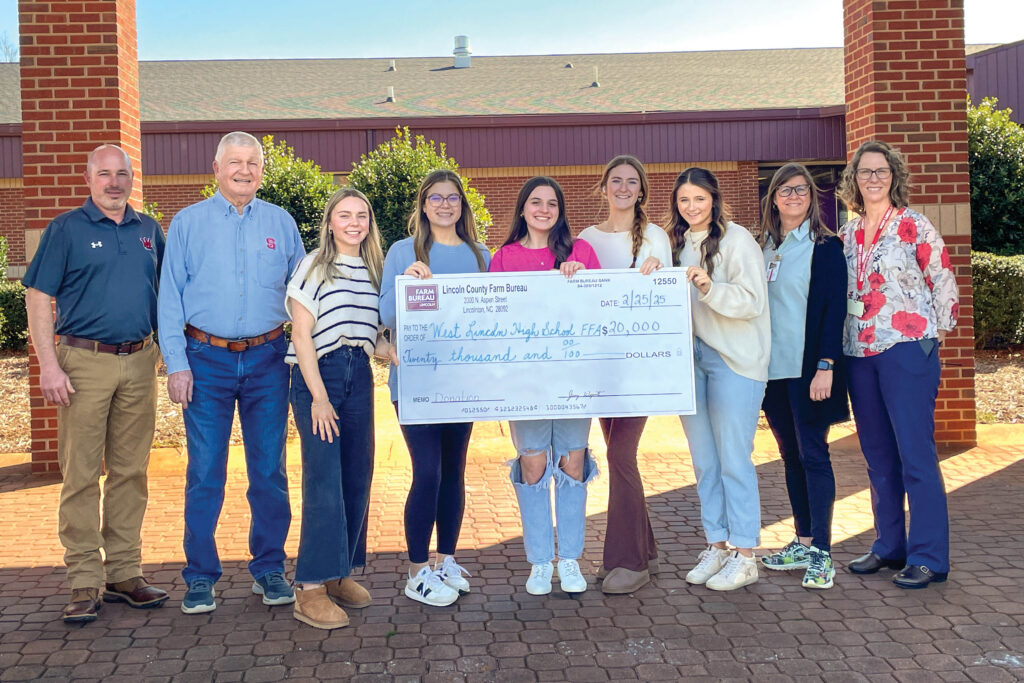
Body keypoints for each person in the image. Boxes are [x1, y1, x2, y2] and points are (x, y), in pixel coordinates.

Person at [158, 131, 305, 613]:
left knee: (269, 471)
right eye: (235, 162)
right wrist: (176, 363)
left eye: (253, 163)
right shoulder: (187, 223)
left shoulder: (280, 223)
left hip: (267, 359)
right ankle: (200, 576)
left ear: (262, 171)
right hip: (206, 361)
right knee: (205, 472)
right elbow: (169, 297)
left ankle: (269, 568)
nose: (244, 170)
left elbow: (303, 291)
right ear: (216, 168)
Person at [23, 144, 168, 623]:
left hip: (139, 360)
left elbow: (166, 294)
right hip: (82, 363)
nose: (114, 182)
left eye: (122, 174)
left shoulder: (149, 230)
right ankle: (84, 581)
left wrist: (169, 356)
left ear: (132, 178)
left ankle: (125, 573)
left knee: (130, 472)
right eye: (104, 174)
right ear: (88, 179)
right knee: (82, 475)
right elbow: (38, 296)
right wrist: (48, 364)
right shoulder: (66, 229)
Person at [837, 140, 959, 589]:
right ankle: (890, 545)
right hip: (859, 352)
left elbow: (942, 277)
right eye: (865, 172)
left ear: (893, 177)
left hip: (907, 348)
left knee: (915, 455)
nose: (873, 179)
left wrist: (935, 334)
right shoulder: (847, 235)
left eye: (881, 172)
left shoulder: (913, 225)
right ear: (854, 179)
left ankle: (929, 556)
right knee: (877, 456)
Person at [379, 169, 491, 606]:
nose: (445, 205)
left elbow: (490, 320)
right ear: (423, 205)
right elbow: (386, 313)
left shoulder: (480, 255)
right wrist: (408, 281)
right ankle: (416, 571)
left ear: (461, 205)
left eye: (453, 198)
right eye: (436, 198)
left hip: (461, 383)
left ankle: (444, 560)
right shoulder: (402, 251)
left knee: (453, 473)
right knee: (427, 471)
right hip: (415, 382)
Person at [286, 188, 396, 629]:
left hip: (359, 373)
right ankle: (309, 588)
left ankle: (337, 573)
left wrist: (412, 353)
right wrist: (318, 398)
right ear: (330, 222)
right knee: (324, 481)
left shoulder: (375, 270)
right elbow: (300, 334)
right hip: (320, 377)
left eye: (362, 215)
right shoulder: (313, 265)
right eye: (344, 215)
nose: (354, 222)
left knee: (356, 476)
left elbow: (376, 339)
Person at [489, 177, 601, 596]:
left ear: (560, 211)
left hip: (574, 381)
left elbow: (600, 309)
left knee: (573, 462)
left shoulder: (581, 252)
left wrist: (581, 278)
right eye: (535, 202)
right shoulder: (503, 257)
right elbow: (493, 320)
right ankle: (539, 561)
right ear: (522, 209)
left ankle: (569, 558)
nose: (543, 209)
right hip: (525, 384)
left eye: (552, 203)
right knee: (533, 465)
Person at [669, 167, 770, 592]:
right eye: (684, 200)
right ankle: (717, 544)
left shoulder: (737, 239)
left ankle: (746, 554)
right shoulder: (675, 244)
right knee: (705, 461)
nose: (692, 207)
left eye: (699, 199)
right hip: (689, 361)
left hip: (734, 359)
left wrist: (711, 288)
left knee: (733, 458)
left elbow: (753, 300)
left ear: (714, 199)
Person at [577, 154, 672, 594]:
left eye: (631, 182)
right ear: (603, 187)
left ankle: (629, 562)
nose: (622, 188)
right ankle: (643, 546)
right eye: (615, 180)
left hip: (639, 367)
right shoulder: (586, 239)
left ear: (641, 190)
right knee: (615, 450)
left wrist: (657, 275)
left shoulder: (655, 237)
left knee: (620, 456)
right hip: (600, 367)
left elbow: (665, 300)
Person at [757, 163, 848, 590]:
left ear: (812, 197)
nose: (793, 196)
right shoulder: (763, 247)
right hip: (771, 373)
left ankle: (823, 554)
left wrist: (825, 365)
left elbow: (834, 311)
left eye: (801, 190)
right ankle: (803, 539)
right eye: (785, 190)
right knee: (790, 455)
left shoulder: (825, 246)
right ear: (773, 197)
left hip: (808, 369)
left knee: (814, 454)